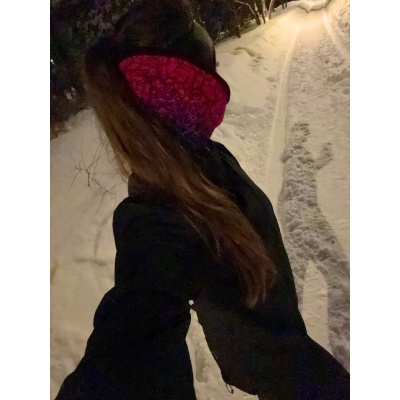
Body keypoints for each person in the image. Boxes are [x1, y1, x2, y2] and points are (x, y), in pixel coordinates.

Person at [55, 1, 350, 399]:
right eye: (209, 62)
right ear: (181, 85)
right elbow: (137, 328)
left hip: (285, 352)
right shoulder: (155, 214)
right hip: (287, 375)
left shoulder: (202, 154)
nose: (218, 75)